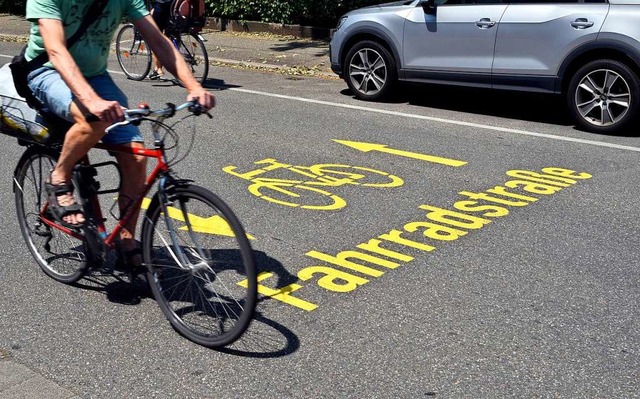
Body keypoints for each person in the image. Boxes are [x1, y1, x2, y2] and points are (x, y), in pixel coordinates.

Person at [24, 0, 215, 267]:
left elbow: (158, 41)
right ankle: (59, 177)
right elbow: (56, 50)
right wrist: (91, 100)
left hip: (95, 75)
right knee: (92, 118)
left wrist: (193, 86)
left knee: (137, 156)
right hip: (47, 72)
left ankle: (126, 240)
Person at [149, 0, 174, 79]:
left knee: (155, 38)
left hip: (163, 5)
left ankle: (158, 68)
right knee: (170, 36)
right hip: (175, 6)